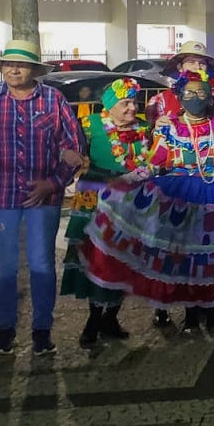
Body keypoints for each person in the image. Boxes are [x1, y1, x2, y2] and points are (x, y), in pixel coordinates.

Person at [80, 70, 214, 333]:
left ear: (208, 98)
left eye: (201, 93)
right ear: (179, 98)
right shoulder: (169, 129)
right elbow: (154, 164)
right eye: (189, 93)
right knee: (185, 258)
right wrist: (125, 183)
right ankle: (191, 317)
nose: (195, 97)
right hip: (179, 196)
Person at [0, 40, 84, 356]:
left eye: (21, 65)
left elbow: (75, 149)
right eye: (8, 65)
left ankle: (42, 331)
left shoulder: (53, 100)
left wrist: (52, 184)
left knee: (41, 264)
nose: (13, 69)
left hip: (42, 201)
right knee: (2, 266)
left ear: (34, 70)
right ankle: (4, 330)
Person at [61, 77, 151, 348]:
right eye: (124, 103)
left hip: (130, 199)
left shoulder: (145, 128)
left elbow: (154, 159)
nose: (131, 108)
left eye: (134, 102)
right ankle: (93, 319)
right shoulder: (90, 125)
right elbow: (69, 153)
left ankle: (111, 317)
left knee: (123, 259)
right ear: (109, 106)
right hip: (94, 197)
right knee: (96, 258)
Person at [147, 40, 214, 124]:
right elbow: (150, 133)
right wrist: (157, 127)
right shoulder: (160, 100)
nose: (197, 67)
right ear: (180, 67)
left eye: (202, 63)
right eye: (191, 62)